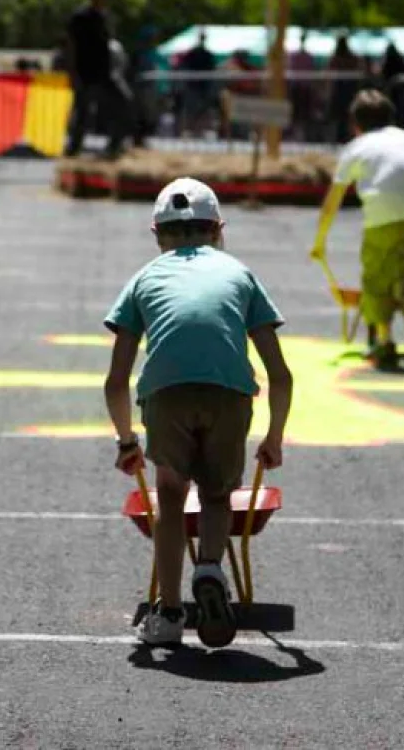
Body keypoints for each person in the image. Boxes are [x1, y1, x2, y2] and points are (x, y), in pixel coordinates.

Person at [104, 178, 293, 648]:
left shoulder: (144, 278)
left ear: (156, 234)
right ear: (218, 229)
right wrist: (274, 437)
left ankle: (168, 616)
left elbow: (115, 380)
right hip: (229, 394)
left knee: (169, 498)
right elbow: (281, 374)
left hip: (166, 394)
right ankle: (210, 568)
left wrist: (127, 439)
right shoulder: (239, 274)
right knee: (216, 493)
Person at [310, 89, 404, 371]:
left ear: (355, 124)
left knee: (376, 279)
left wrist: (320, 242)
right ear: (391, 117)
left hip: (383, 215)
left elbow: (332, 201)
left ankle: (384, 341)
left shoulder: (357, 147)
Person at [63, 0, 131, 158]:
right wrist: (72, 73)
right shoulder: (80, 17)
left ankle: (114, 146)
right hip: (86, 73)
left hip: (106, 72)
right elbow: (71, 46)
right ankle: (73, 149)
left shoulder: (104, 17)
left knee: (123, 103)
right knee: (83, 113)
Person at [179, 30, 217, 135]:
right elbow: (184, 66)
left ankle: (199, 130)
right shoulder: (192, 53)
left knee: (203, 109)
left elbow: (212, 69)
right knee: (191, 109)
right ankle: (188, 129)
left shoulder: (208, 54)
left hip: (204, 87)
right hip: (193, 87)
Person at [326, 35, 360, 144]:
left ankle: (342, 138)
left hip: (342, 90)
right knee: (344, 116)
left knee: (342, 117)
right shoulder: (350, 57)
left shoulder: (337, 57)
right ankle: (343, 138)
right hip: (346, 90)